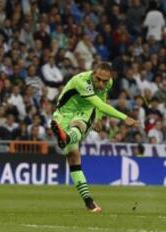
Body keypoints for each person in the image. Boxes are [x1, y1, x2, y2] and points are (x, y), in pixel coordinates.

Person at [50, 62, 138, 213]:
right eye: (99, 79)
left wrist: (98, 118)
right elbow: (101, 104)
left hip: (84, 111)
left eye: (105, 81)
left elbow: (102, 100)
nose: (102, 84)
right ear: (93, 74)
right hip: (63, 114)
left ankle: (89, 202)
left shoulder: (107, 83)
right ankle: (67, 138)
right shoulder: (82, 81)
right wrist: (124, 118)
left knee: (77, 138)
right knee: (73, 157)